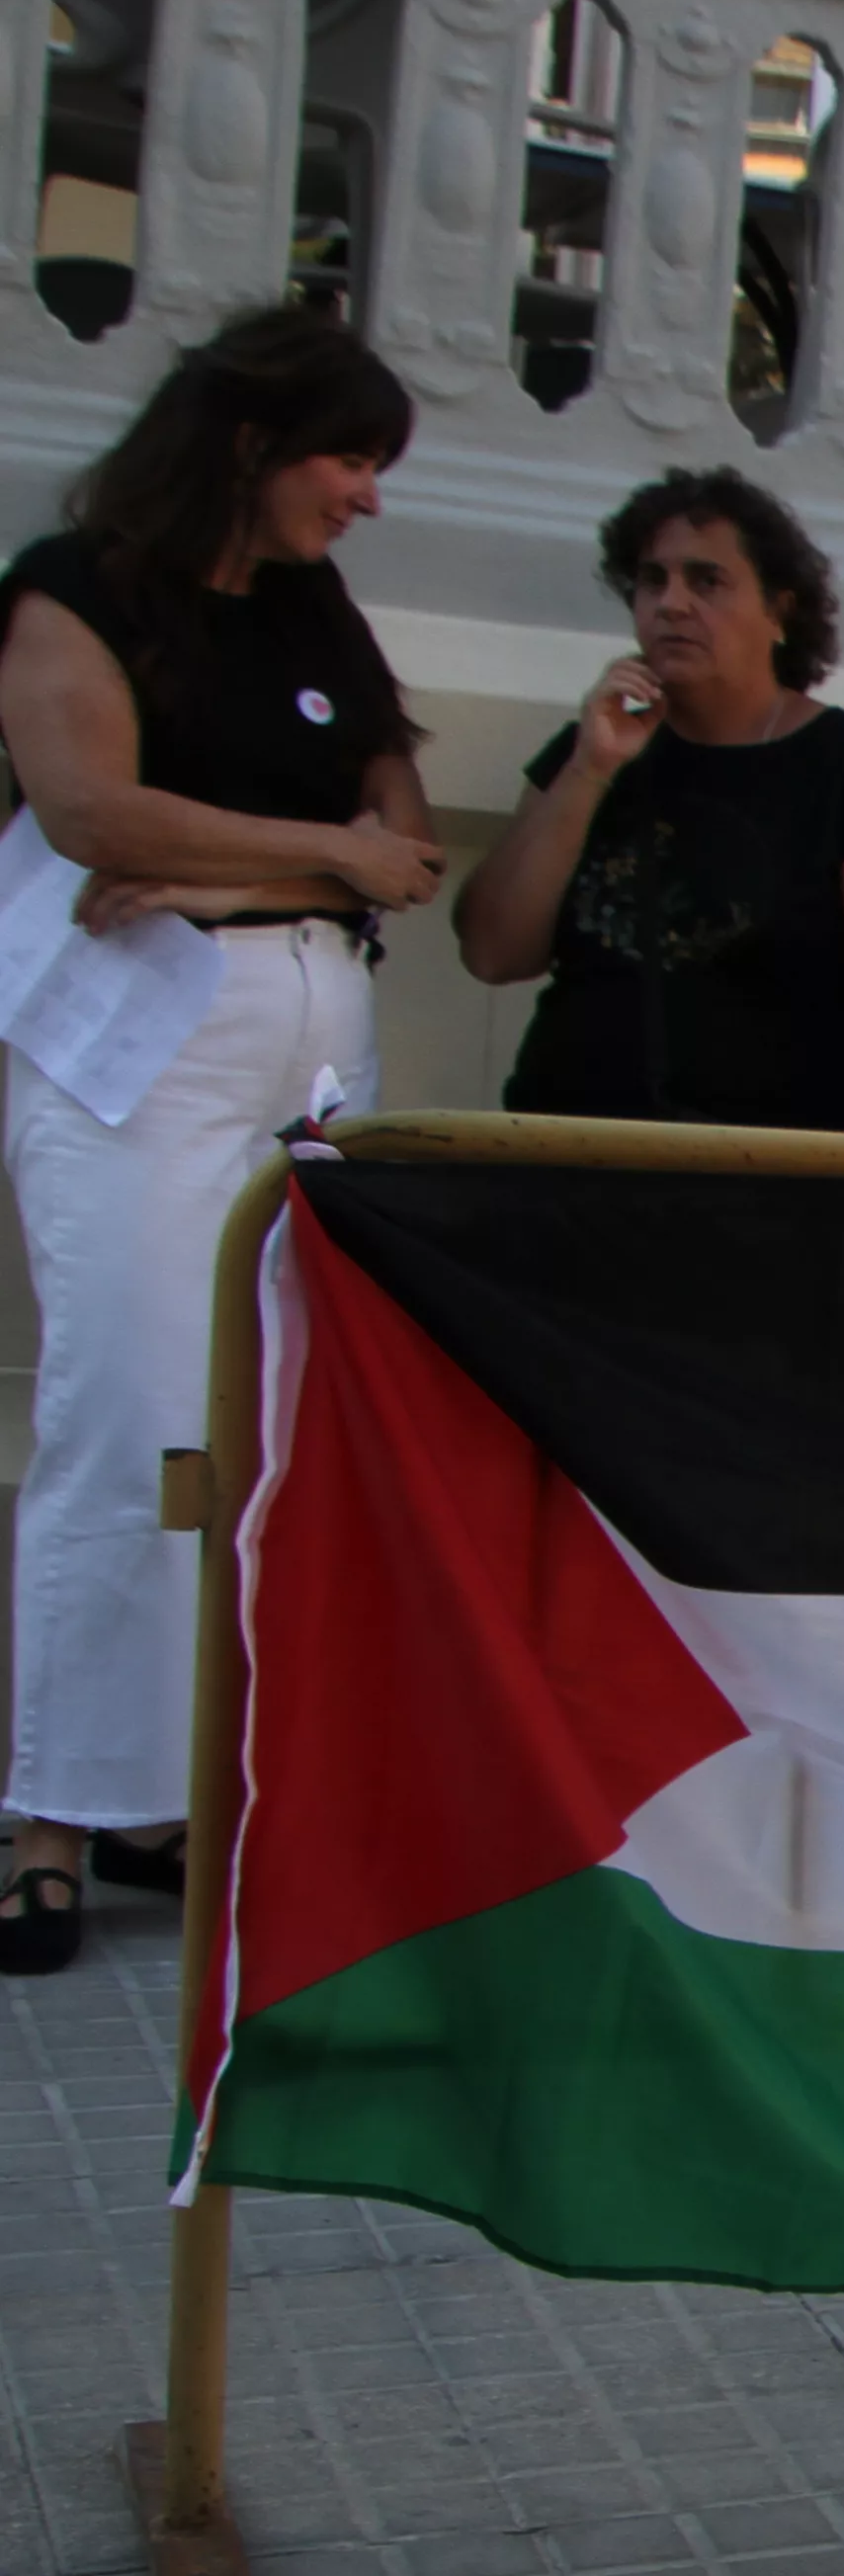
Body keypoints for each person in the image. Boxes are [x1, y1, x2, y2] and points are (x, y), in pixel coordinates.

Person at [0, 305, 444, 1974]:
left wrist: (220, 868)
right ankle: (48, 1810)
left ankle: (166, 1788)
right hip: (150, 1050)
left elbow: (405, 849)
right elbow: (86, 811)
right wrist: (298, 848)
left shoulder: (316, 605)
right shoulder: (81, 586)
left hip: (312, 1043)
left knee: (260, 1418)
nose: (366, 498)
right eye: (350, 458)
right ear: (252, 443)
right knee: (121, 1410)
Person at [455, 468, 844, 1134]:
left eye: (706, 581)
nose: (672, 604)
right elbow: (494, 952)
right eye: (652, 580)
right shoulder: (590, 754)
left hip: (753, 1183)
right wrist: (589, 769)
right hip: (560, 1165)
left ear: (780, 610)